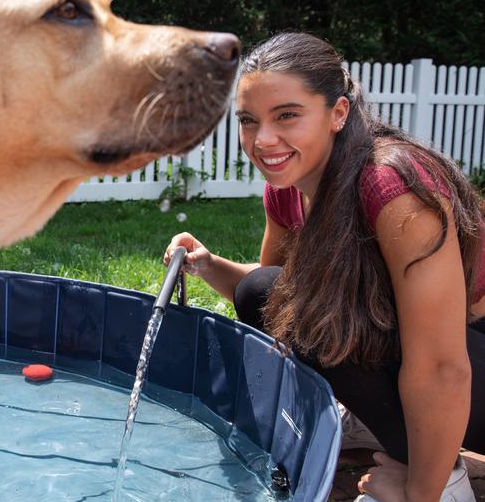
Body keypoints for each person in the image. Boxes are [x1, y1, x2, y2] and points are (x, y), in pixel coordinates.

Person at [164, 32, 485, 502]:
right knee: (263, 293)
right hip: (437, 365)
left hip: (468, 368)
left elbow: (441, 366)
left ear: (338, 113)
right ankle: (374, 421)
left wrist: (421, 492)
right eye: (249, 121)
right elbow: (271, 289)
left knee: (315, 318)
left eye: (287, 116)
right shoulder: (289, 187)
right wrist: (207, 265)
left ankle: (444, 481)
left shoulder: (391, 187)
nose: (263, 139)